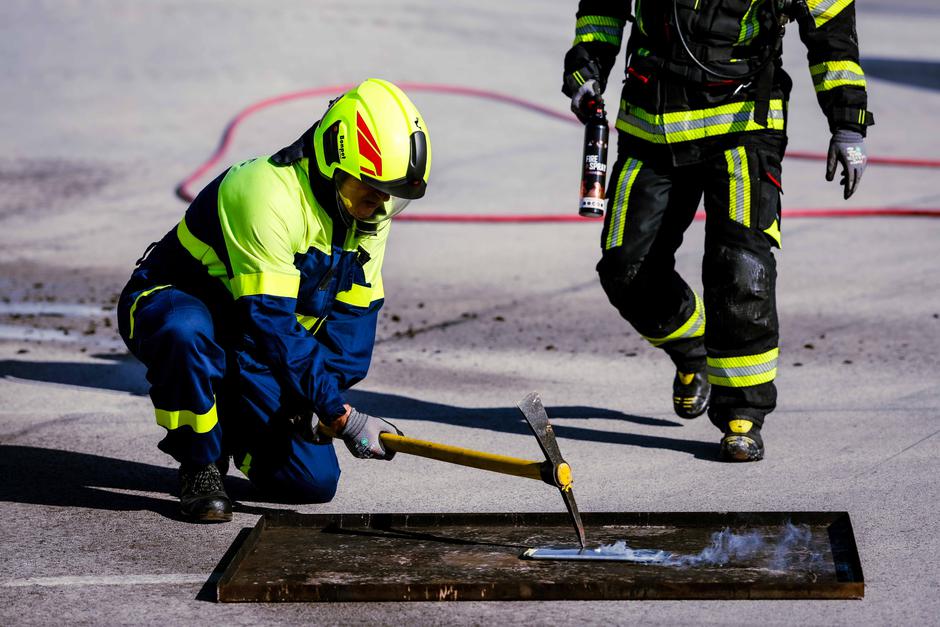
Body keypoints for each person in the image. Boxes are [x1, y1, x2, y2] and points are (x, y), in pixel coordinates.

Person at [562, 1, 872, 461]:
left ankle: (741, 416)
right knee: (625, 269)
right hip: (651, 122)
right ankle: (692, 350)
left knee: (740, 269)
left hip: (744, 121)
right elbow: (602, 8)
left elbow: (830, 31)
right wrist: (586, 70)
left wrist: (848, 124)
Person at [117, 79, 431, 521]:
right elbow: (272, 321)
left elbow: (351, 330)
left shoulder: (364, 216)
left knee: (311, 484)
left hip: (250, 341)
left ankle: (229, 422)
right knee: (183, 334)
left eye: (390, 201)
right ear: (333, 162)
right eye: (369, 195)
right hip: (175, 305)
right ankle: (200, 465)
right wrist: (340, 415)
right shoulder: (264, 192)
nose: (379, 212)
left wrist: (317, 405)